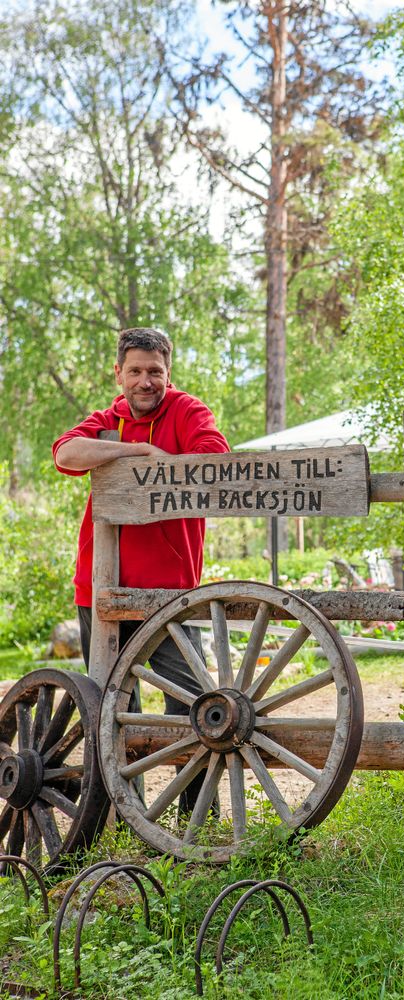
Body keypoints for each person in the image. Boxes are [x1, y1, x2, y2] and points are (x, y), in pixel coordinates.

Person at [53, 327, 230, 810]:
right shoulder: (106, 419)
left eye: (155, 371)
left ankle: (198, 818)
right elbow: (66, 453)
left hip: (168, 593)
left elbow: (215, 458)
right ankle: (124, 812)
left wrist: (165, 462)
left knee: (192, 703)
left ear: (168, 373)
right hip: (101, 589)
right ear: (120, 373)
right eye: (135, 371)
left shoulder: (188, 411)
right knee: (114, 706)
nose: (145, 381)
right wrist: (135, 451)